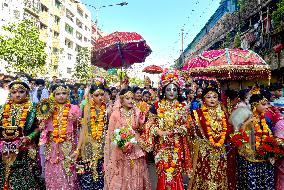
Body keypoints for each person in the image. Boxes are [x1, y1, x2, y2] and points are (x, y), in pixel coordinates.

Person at [141, 68, 191, 190]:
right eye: (168, 89)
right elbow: (149, 124)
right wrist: (158, 131)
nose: (171, 92)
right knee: (163, 173)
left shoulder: (183, 107)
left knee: (176, 173)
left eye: (174, 89)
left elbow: (188, 125)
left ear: (178, 91)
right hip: (161, 145)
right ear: (163, 90)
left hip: (177, 144)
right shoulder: (156, 106)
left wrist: (180, 129)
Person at [0, 77, 44, 189]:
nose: (17, 95)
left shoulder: (34, 108)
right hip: (6, 149)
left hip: (25, 148)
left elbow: (39, 127)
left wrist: (29, 137)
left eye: (21, 91)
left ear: (27, 93)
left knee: (25, 180)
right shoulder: (3, 108)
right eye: (14, 92)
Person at [188, 87, 235, 190]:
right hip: (205, 151)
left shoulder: (223, 113)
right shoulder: (197, 113)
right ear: (203, 99)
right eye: (209, 97)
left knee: (220, 173)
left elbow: (227, 130)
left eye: (215, 97)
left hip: (220, 150)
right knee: (205, 173)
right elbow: (191, 133)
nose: (212, 99)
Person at [104, 88, 151, 190]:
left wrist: (144, 121)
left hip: (136, 146)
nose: (130, 100)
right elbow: (111, 133)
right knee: (123, 172)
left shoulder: (137, 112)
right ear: (121, 100)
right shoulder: (115, 114)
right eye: (127, 98)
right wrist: (121, 142)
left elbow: (141, 129)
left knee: (136, 171)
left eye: (132, 98)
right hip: (121, 148)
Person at [38, 84, 81, 189]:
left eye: (64, 93)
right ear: (53, 95)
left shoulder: (74, 108)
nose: (61, 96)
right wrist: (42, 125)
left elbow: (79, 126)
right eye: (58, 94)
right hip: (52, 144)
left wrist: (76, 119)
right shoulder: (49, 109)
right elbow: (43, 126)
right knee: (53, 166)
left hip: (68, 144)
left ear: (68, 94)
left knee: (67, 167)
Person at [73, 79, 108, 190]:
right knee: (86, 177)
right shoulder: (87, 108)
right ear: (91, 96)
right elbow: (83, 130)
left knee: (100, 177)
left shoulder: (107, 109)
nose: (100, 98)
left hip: (102, 148)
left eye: (102, 94)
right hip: (87, 148)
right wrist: (77, 150)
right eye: (97, 95)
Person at [236, 94, 275, 190]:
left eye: (267, 104)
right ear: (254, 105)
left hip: (264, 158)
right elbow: (239, 137)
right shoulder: (247, 119)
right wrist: (246, 123)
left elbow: (268, 136)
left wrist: (271, 151)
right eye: (263, 104)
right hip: (251, 160)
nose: (267, 107)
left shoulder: (264, 120)